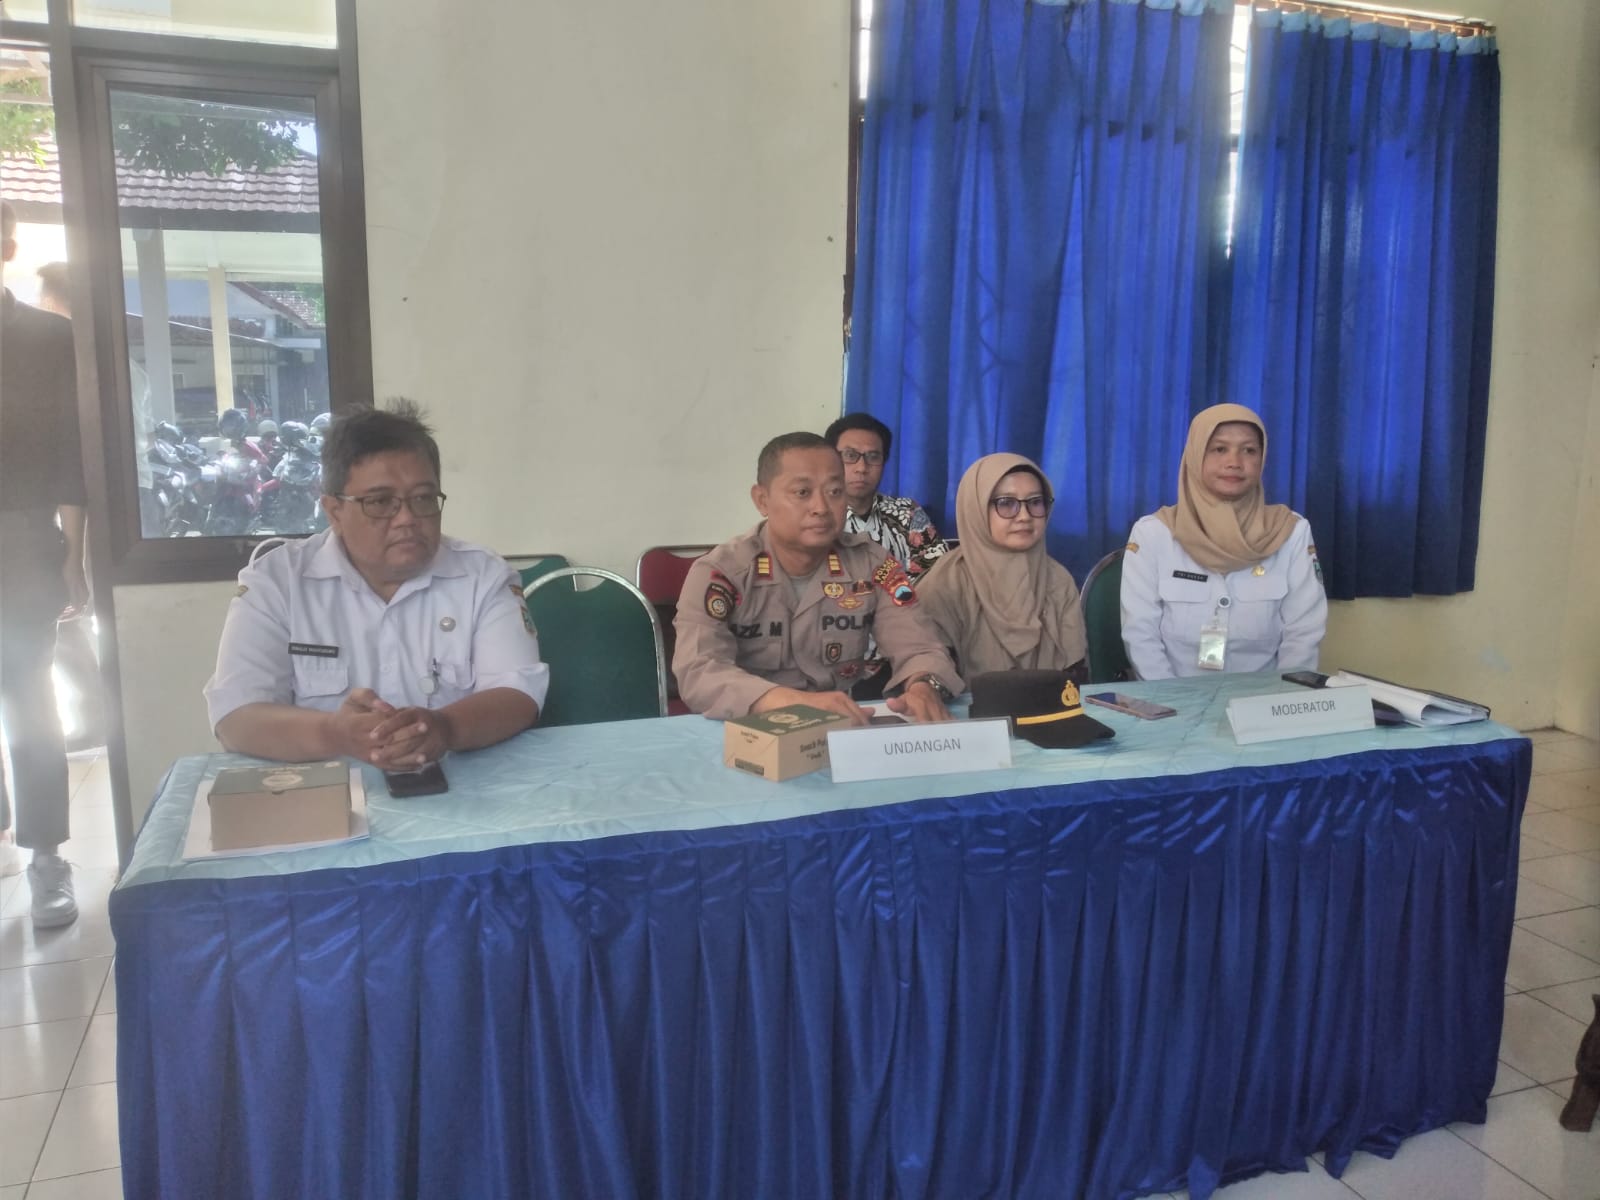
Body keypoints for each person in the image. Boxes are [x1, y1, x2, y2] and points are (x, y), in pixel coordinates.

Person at [204, 400, 548, 765]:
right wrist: (334, 734)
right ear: (334, 511)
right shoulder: (276, 582)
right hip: (323, 790)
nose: (407, 518)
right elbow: (236, 718)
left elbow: (518, 693)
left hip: (458, 786)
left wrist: (445, 728)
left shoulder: (483, 576)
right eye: (381, 501)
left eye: (423, 498)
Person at [673, 432, 963, 724]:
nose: (821, 508)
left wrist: (924, 685)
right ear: (762, 500)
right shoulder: (722, 573)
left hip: (838, 727)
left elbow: (919, 644)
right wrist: (790, 702)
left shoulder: (872, 564)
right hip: (745, 727)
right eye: (802, 492)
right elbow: (699, 669)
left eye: (835, 491)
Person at [0, 202, 88, 926]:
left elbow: (70, 457)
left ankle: (46, 855)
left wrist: (74, 557)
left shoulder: (47, 338)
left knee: (32, 701)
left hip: (23, 544)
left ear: (7, 244)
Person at [1120, 403, 1327, 679]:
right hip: (1173, 696)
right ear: (1196, 455)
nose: (1234, 462)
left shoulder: (1290, 531)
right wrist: (1171, 699)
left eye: (1249, 450)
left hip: (1265, 696)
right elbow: (1140, 635)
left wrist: (1282, 697)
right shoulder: (1153, 533)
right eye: (1219, 449)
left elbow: (1304, 633)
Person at [917, 453, 1088, 680]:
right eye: (1006, 503)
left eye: (1035, 502)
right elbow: (930, 679)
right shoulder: (944, 586)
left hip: (1050, 700)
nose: (1024, 516)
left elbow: (1075, 675)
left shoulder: (1057, 579)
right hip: (968, 703)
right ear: (976, 509)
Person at [824, 413, 949, 580]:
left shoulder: (906, 512)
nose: (862, 468)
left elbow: (939, 569)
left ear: (884, 462)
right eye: (850, 455)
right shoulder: (816, 515)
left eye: (873, 457)